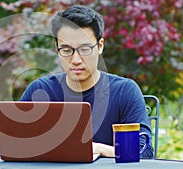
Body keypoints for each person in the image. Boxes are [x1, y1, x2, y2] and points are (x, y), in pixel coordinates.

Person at [19, 5, 154, 158]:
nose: (76, 60)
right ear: (57, 49)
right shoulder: (39, 91)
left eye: (85, 49)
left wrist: (99, 149)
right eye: (66, 50)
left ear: (100, 46)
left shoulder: (124, 91)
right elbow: (14, 145)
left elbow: (145, 152)